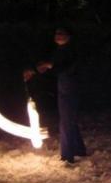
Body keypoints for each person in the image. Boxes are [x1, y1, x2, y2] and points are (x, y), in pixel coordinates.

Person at [24, 27, 87, 164]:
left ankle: (67, 155)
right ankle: (79, 150)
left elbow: (68, 67)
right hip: (65, 87)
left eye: (61, 33)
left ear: (69, 36)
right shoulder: (60, 50)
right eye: (56, 33)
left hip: (71, 88)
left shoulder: (71, 49)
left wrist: (48, 65)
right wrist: (35, 70)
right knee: (69, 120)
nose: (57, 36)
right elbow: (51, 67)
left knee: (66, 121)